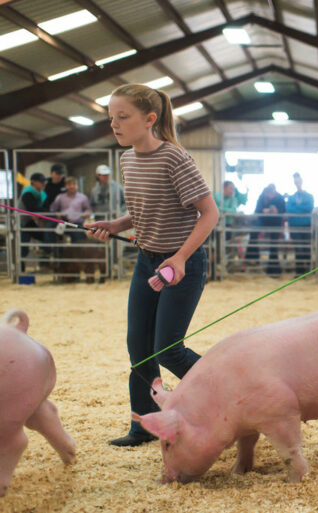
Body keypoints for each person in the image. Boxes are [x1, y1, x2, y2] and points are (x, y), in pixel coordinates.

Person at [86, 83, 218, 447]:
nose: (115, 124)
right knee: (139, 348)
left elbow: (209, 213)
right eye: (111, 118)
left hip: (182, 263)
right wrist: (116, 225)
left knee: (167, 347)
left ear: (149, 119)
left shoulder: (174, 158)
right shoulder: (127, 160)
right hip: (147, 262)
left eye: (122, 117)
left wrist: (181, 257)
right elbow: (147, 207)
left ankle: (225, 391)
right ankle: (143, 426)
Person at [249, 184, 285, 275]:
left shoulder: (280, 198)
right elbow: (257, 210)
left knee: (273, 245)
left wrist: (276, 212)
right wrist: (265, 211)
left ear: (274, 192)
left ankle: (273, 270)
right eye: (269, 193)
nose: (270, 196)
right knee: (253, 232)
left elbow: (283, 210)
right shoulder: (262, 197)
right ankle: (254, 258)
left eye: (272, 193)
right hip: (264, 220)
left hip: (276, 222)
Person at [286, 172, 314, 274]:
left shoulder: (309, 196)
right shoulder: (291, 197)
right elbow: (289, 209)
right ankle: (299, 271)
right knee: (298, 248)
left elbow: (309, 207)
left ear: (301, 181)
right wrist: (302, 209)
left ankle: (307, 270)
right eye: (295, 180)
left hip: (306, 225)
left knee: (306, 248)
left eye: (298, 180)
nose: (297, 182)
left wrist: (296, 208)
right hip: (295, 225)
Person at [19, 172, 48, 270]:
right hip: (23, 223)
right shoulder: (28, 192)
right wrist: (46, 213)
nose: (43, 183)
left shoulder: (41, 193)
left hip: (31, 222)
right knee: (22, 247)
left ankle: (44, 264)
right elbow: (32, 207)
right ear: (33, 182)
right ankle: (20, 270)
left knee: (46, 238)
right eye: (41, 181)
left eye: (44, 181)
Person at [50, 177, 92, 242]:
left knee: (79, 235)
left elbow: (88, 209)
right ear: (65, 186)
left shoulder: (83, 197)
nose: (72, 186)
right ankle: (48, 250)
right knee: (50, 227)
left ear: (77, 185)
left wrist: (85, 214)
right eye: (69, 184)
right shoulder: (60, 197)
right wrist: (56, 213)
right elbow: (52, 209)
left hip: (77, 223)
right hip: (63, 222)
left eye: (74, 184)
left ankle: (75, 251)